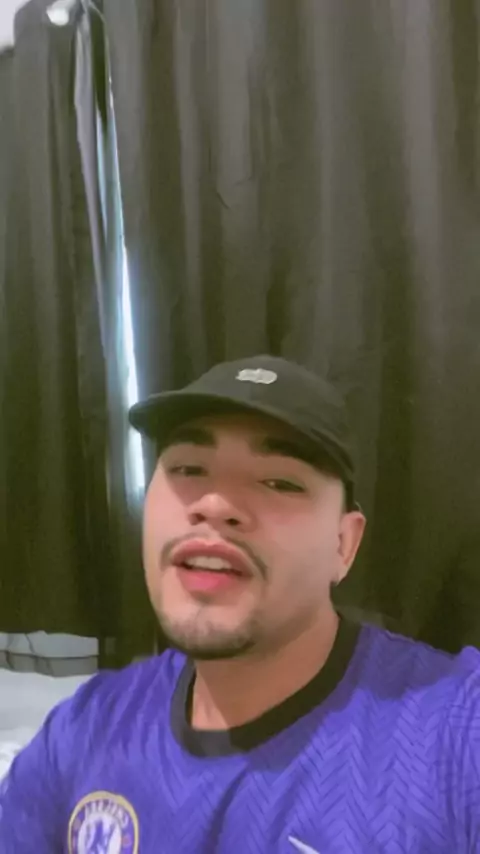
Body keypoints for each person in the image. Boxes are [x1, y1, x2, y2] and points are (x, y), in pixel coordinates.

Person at [1, 355, 479, 854]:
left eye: (280, 482)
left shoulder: (455, 738)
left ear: (343, 544)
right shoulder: (85, 731)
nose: (214, 505)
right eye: (188, 468)